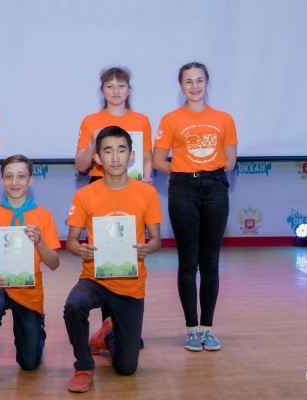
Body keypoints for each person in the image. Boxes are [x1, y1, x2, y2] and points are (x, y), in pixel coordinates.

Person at [63, 126, 162, 393]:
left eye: (121, 150)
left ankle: (106, 334)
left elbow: (156, 240)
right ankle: (84, 367)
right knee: (74, 304)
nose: (115, 157)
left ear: (132, 156)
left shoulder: (147, 193)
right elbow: (71, 242)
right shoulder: (85, 195)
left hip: (130, 283)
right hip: (95, 278)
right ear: (97, 158)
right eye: (108, 151)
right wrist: (80, 250)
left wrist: (146, 248)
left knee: (126, 367)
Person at [152, 62, 238, 352]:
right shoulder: (170, 119)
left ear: (207, 83)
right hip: (183, 190)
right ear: (181, 86)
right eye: (188, 81)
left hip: (215, 187)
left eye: (199, 80)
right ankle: (191, 329)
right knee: (188, 262)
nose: (194, 86)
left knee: (210, 262)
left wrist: (204, 172)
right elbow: (158, 160)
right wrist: (183, 172)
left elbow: (230, 161)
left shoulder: (224, 118)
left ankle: (207, 329)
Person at [74, 67, 154, 343]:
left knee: (129, 254)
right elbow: (81, 164)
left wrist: (147, 176)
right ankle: (110, 328)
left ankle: (125, 325)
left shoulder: (141, 120)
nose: (116, 91)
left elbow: (146, 157)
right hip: (100, 189)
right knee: (106, 255)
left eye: (121, 85)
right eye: (110, 86)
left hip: (132, 190)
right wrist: (91, 142)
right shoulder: (91, 121)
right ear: (102, 91)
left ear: (129, 90)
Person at [0, 155, 60, 390]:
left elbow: (54, 264)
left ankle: (37, 330)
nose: (14, 182)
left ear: (31, 180)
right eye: (8, 176)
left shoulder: (44, 216)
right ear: (2, 180)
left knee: (29, 364)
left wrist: (39, 242)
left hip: (29, 291)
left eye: (21, 176)